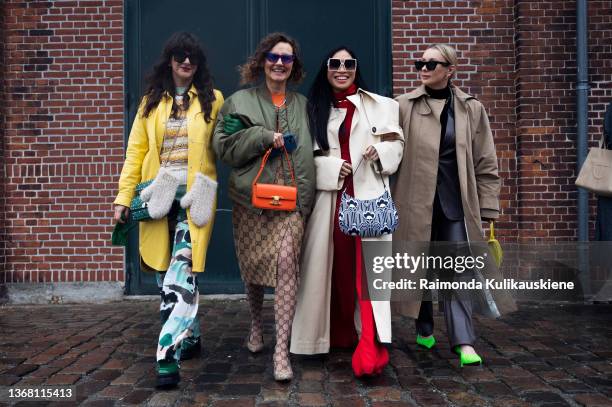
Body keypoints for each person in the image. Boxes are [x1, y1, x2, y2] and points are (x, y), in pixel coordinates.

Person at [393, 44, 515, 367]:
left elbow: (485, 162)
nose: (424, 68)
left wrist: (488, 209)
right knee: (417, 267)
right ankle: (424, 325)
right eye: (420, 62)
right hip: (414, 204)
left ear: (451, 69)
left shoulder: (471, 109)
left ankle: (463, 341)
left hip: (455, 205)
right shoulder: (401, 106)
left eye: (433, 63)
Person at [113, 32, 224, 387]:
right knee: (166, 277)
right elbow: (135, 154)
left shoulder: (213, 100)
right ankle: (190, 336)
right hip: (157, 200)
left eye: (192, 56)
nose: (186, 62)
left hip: (194, 200)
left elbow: (226, 143)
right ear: (169, 60)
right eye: (179, 56)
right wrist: (122, 199)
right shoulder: (150, 103)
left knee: (179, 274)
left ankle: (166, 357)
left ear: (198, 63)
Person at [290, 46, 404, 377]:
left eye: (349, 63)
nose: (342, 69)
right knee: (332, 271)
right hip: (331, 200)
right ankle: (335, 335)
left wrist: (380, 150)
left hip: (368, 198)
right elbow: (301, 159)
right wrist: (328, 167)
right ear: (325, 68)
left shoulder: (381, 106)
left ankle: (371, 347)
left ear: (356, 67)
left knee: (368, 275)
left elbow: (398, 145)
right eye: (335, 63)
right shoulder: (312, 109)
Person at [212, 32, 315, 381]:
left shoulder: (303, 105)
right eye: (274, 57)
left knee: (286, 264)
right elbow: (223, 148)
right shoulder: (238, 102)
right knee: (254, 266)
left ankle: (281, 352)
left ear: (294, 67)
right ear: (262, 61)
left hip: (291, 204)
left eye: (287, 59)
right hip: (251, 203)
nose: (280, 64)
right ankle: (256, 325)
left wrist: (307, 200)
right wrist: (260, 136)